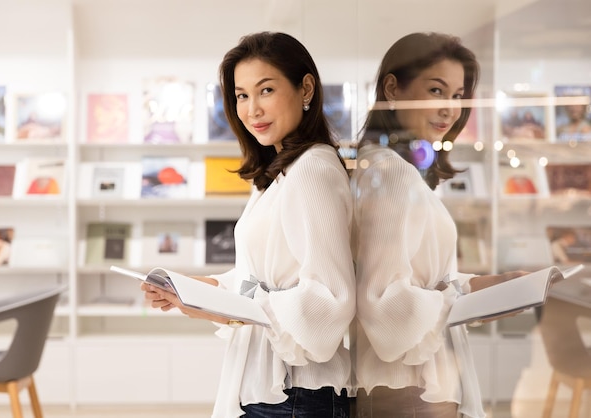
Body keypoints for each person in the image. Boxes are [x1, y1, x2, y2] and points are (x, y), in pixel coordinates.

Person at [142, 31, 355, 418]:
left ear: (306, 88)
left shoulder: (312, 170)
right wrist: (199, 289)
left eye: (266, 90)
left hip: (296, 393)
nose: (252, 108)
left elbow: (329, 302)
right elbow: (265, 277)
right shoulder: (283, 172)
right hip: (279, 389)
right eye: (241, 95)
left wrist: (221, 309)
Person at [351, 32, 527, 418]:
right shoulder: (392, 173)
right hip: (410, 391)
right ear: (393, 89)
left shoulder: (391, 167)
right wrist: (468, 301)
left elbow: (414, 280)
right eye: (436, 90)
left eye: (457, 96)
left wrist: (478, 286)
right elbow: (386, 310)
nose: (449, 109)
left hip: (408, 387)